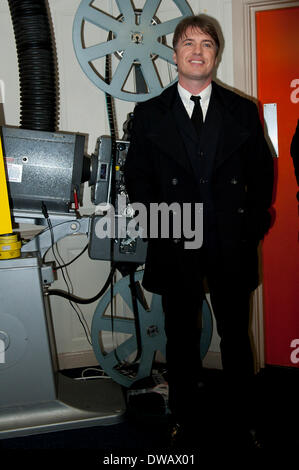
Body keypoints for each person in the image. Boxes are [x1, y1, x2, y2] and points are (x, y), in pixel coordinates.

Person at [124, 15, 274, 449]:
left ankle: (243, 419)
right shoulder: (149, 113)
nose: (196, 50)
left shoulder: (242, 110)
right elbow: (139, 182)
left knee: (235, 337)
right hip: (176, 241)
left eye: (206, 43)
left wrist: (254, 224)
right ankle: (184, 419)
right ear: (174, 55)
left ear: (215, 55)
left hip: (231, 242)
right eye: (188, 43)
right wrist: (158, 228)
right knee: (181, 339)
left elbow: (263, 174)